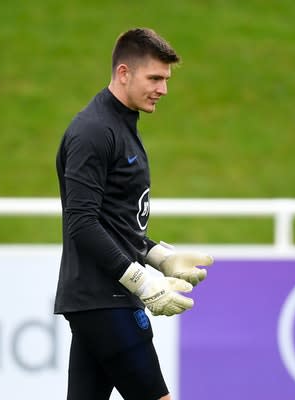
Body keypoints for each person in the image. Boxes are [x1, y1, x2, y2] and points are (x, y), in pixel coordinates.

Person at [55, 28, 214, 400]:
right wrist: (142, 281)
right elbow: (82, 223)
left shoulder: (120, 123)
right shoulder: (93, 131)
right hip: (104, 299)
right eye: (154, 78)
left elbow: (114, 221)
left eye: (166, 80)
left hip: (100, 298)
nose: (163, 89)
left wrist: (159, 256)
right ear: (124, 73)